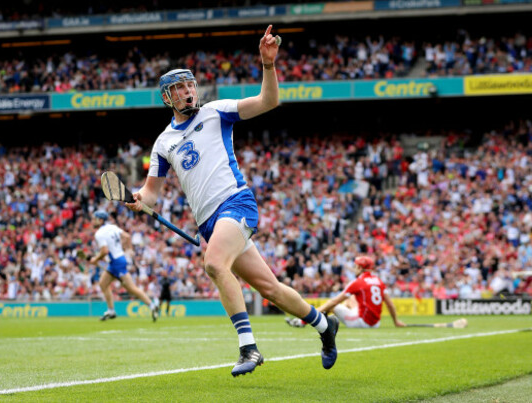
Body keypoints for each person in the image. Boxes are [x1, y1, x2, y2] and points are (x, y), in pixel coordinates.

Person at [126, 25, 339, 377]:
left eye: (189, 85)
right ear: (168, 97)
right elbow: (152, 192)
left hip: (236, 204)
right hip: (209, 222)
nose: (187, 91)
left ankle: (248, 348)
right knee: (269, 288)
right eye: (179, 88)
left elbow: (268, 102)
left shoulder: (216, 111)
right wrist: (138, 199)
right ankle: (323, 326)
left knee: (213, 265)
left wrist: (268, 66)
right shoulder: (163, 143)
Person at [286, 256, 406, 329]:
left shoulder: (357, 282)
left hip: (363, 323)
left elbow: (334, 301)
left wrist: (307, 317)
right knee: (350, 299)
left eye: (355, 266)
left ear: (360, 268)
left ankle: (303, 321)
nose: (354, 268)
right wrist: (396, 321)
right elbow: (389, 304)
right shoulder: (378, 281)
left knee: (333, 305)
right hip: (376, 323)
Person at [90, 210, 159, 322]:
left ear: (101, 220)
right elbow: (127, 236)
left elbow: (104, 251)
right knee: (103, 283)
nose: (93, 220)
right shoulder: (112, 227)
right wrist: (128, 249)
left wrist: (95, 259)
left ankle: (152, 305)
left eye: (95, 218)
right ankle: (111, 310)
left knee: (131, 288)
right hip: (118, 260)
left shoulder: (99, 234)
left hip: (117, 262)